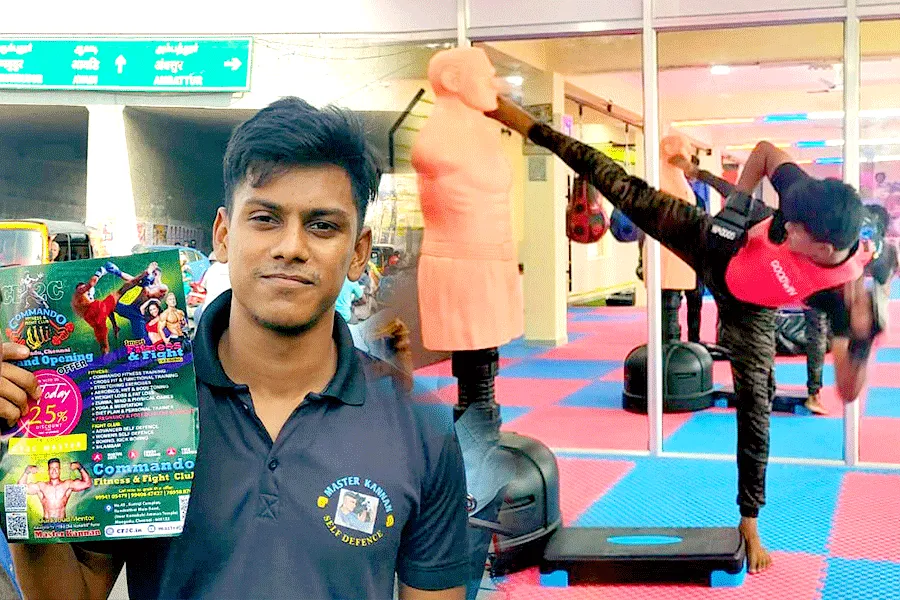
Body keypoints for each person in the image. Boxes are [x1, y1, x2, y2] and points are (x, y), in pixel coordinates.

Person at [5, 96, 468, 600]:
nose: (291, 246)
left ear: (359, 252)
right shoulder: (139, 398)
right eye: (266, 218)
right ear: (223, 235)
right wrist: (15, 462)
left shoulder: (420, 426)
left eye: (323, 225)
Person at [486, 96, 882, 575]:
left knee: (757, 407)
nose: (785, 229)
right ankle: (528, 123)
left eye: (793, 230)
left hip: (751, 310)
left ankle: (749, 522)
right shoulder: (801, 195)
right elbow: (761, 150)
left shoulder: (845, 295)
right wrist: (736, 214)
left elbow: (846, 390)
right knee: (623, 187)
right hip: (715, 241)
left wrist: (859, 346)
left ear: (823, 247)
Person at [72, 262, 158, 355]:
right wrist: (101, 271)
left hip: (94, 320)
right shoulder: (80, 293)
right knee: (121, 291)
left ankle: (105, 361)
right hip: (95, 311)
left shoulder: (82, 300)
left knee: (104, 345)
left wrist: (114, 325)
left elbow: (107, 310)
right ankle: (145, 274)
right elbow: (92, 283)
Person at [17, 460, 92, 519]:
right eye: (51, 468)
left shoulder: (67, 484)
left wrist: (79, 467)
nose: (54, 471)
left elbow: (87, 483)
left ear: (60, 470)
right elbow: (21, 488)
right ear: (48, 471)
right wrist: (27, 471)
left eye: (56, 468)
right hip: (47, 523)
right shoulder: (41, 486)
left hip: (63, 523)